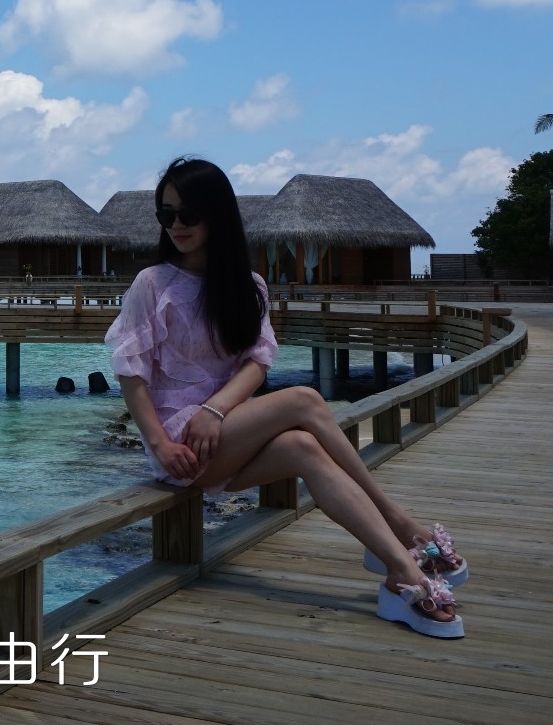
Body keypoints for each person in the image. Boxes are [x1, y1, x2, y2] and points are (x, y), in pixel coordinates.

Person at [106, 157, 468, 638]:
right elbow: (131, 372)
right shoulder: (152, 283)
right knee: (304, 400)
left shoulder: (248, 286)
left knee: (303, 447)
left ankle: (397, 568)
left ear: (217, 214)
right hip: (182, 442)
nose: (176, 225)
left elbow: (257, 361)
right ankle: (401, 524)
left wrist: (216, 410)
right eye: (166, 214)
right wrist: (160, 445)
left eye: (187, 214)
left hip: (224, 430)